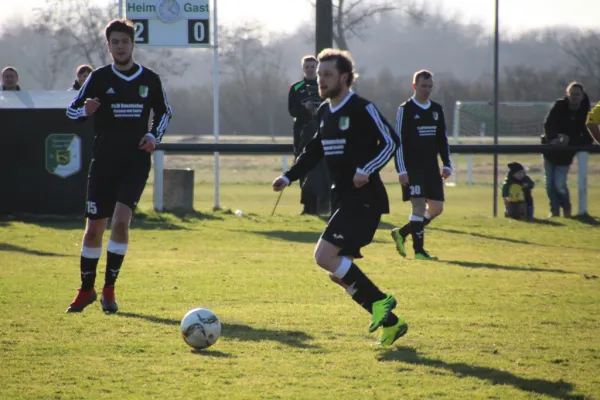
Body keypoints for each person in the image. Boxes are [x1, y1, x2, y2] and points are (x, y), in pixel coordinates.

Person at [272, 49, 407, 346]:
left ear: (344, 77)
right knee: (338, 273)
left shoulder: (361, 107)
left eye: (327, 75)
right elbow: (314, 150)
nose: (321, 80)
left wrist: (366, 169)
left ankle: (381, 302)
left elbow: (391, 141)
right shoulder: (324, 111)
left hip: (364, 197)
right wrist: (288, 176)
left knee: (323, 257)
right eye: (319, 75)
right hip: (342, 198)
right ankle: (392, 323)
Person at [65, 18, 173, 313]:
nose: (120, 47)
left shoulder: (149, 79)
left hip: (135, 162)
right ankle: (87, 290)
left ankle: (109, 289)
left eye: (125, 41)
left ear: (132, 44)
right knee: (93, 229)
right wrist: (84, 110)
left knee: (122, 221)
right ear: (109, 45)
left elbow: (165, 113)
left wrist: (153, 135)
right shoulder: (99, 77)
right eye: (115, 42)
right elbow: (72, 111)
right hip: (104, 161)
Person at [390, 70, 452, 261]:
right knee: (417, 207)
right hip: (412, 167)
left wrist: (447, 164)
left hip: (431, 167)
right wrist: (401, 169)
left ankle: (402, 232)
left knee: (436, 208)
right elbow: (398, 142)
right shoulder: (405, 109)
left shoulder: (436, 109)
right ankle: (419, 251)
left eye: (430, 87)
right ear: (414, 86)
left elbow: (442, 139)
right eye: (423, 86)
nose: (427, 90)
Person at [288, 55, 330, 215]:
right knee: (302, 166)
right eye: (307, 67)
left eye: (313, 67)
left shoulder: (325, 85)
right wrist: (305, 110)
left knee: (324, 169)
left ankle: (325, 203)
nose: (310, 70)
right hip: (302, 133)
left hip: (323, 132)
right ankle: (308, 206)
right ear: (303, 69)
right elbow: (292, 111)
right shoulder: (296, 88)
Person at [541, 82, 591, 218]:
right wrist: (554, 138)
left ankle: (566, 208)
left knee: (559, 183)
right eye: (572, 94)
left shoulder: (586, 112)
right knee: (549, 184)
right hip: (550, 150)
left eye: (577, 94)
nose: (574, 97)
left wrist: (569, 140)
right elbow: (548, 124)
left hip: (566, 154)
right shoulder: (559, 106)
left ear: (582, 96)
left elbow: (587, 136)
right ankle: (554, 211)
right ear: (567, 95)